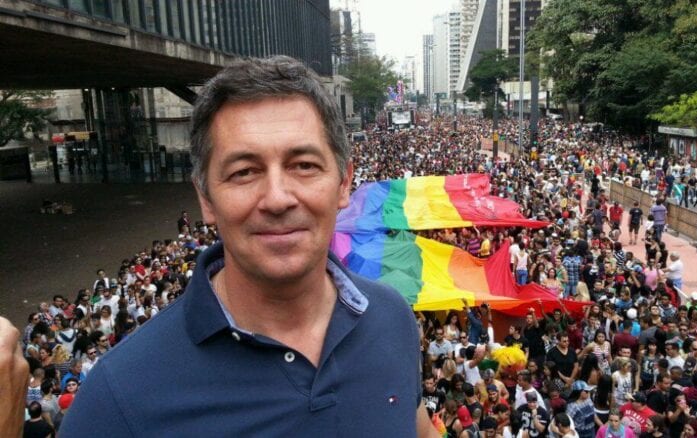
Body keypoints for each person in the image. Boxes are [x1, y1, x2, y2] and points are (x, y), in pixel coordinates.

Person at [60, 57, 435, 436]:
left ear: (343, 183)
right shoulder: (117, 398)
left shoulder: (391, 318)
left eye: (304, 165)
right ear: (206, 198)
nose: (277, 198)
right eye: (244, 172)